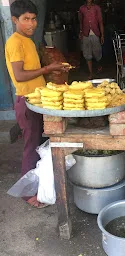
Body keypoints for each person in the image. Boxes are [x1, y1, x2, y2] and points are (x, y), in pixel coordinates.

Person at [5, 0, 68, 208]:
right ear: (14, 20)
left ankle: (41, 184)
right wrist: (47, 69)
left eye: (33, 19)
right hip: (27, 102)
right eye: (26, 19)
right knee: (30, 148)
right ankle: (28, 194)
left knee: (39, 144)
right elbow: (19, 75)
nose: (31, 24)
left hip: (38, 101)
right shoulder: (15, 42)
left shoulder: (29, 41)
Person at [79, 0, 104, 80]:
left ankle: (99, 66)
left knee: (97, 52)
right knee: (87, 54)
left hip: (95, 33)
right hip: (85, 34)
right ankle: (91, 73)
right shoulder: (82, 9)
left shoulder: (96, 8)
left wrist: (102, 35)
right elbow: (80, 22)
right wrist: (80, 32)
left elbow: (100, 22)